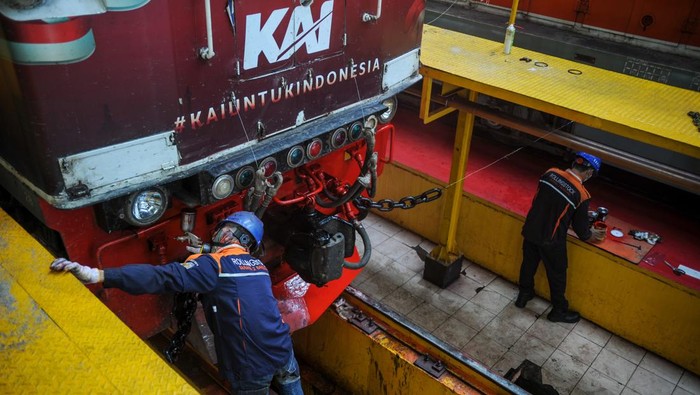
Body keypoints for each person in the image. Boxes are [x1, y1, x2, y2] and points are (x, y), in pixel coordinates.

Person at [50, 211, 303, 395]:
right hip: (284, 351)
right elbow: (232, 264)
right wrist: (203, 249)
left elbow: (161, 277)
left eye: (220, 230)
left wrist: (100, 275)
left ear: (226, 233)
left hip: (251, 367)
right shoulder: (258, 266)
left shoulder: (213, 265)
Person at [514, 151, 605, 323]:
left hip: (531, 229)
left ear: (574, 164)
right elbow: (582, 230)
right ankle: (558, 311)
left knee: (528, 264)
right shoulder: (581, 194)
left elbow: (543, 200)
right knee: (557, 275)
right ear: (589, 173)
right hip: (552, 240)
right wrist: (591, 235)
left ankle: (523, 296)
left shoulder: (550, 173)